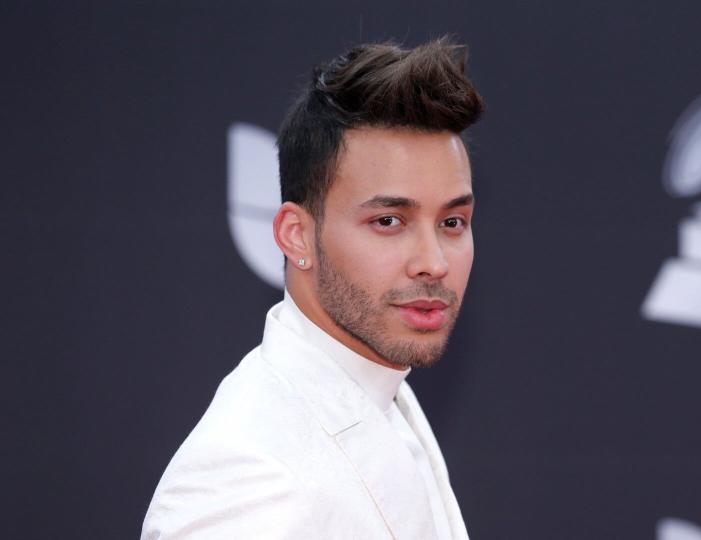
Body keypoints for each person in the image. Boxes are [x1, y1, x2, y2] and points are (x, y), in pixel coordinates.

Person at [142, 37, 483, 539]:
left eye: (452, 222)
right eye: (389, 220)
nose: (433, 262)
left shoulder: (382, 392)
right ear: (295, 235)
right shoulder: (248, 478)